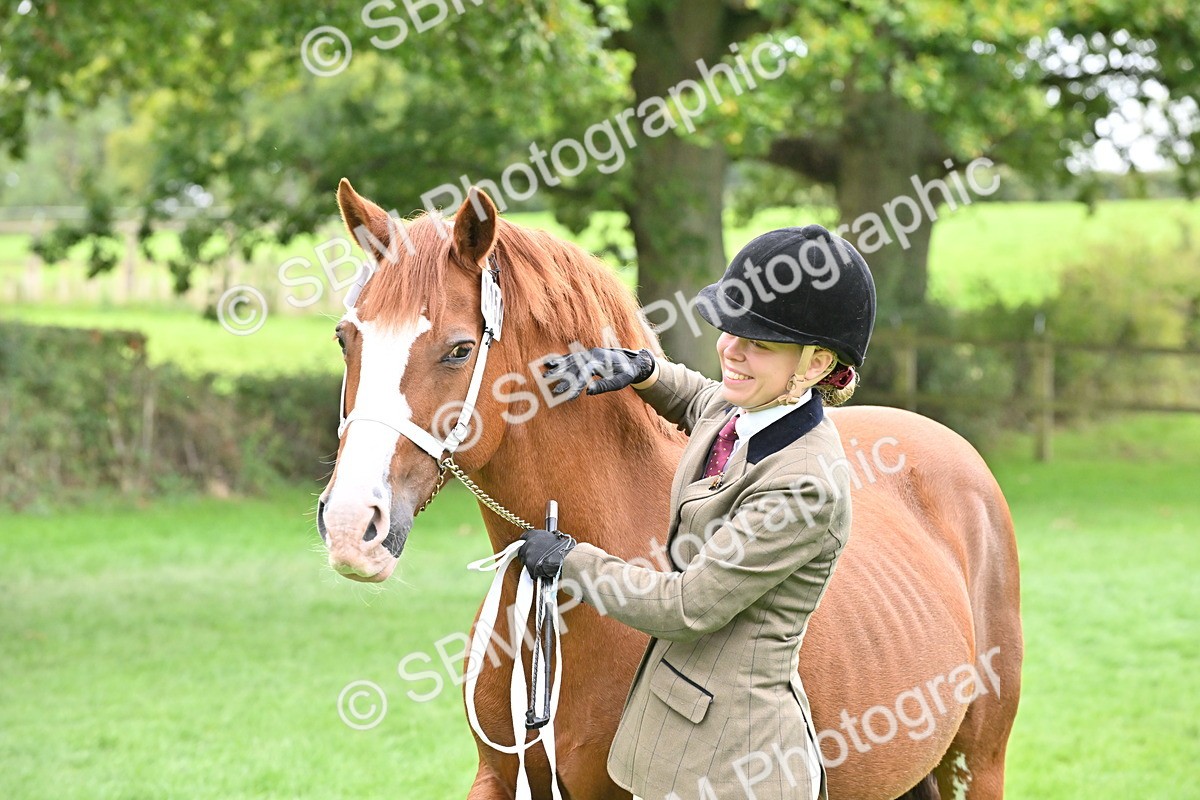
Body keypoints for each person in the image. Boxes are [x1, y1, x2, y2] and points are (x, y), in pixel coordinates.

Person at [519, 225, 876, 800]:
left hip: (738, 766)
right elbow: (701, 399)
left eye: (758, 343)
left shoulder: (804, 487)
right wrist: (644, 370)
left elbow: (688, 607)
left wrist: (571, 561)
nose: (731, 349)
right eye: (730, 330)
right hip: (681, 744)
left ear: (814, 366)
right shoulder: (751, 408)